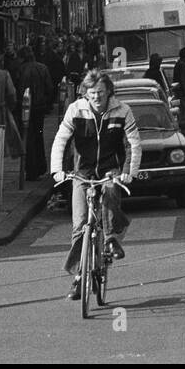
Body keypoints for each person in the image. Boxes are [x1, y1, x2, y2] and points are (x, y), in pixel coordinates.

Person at [51, 70, 141, 299]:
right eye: (92, 93)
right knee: (80, 224)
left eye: (100, 92)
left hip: (110, 169)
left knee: (111, 193)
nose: (97, 97)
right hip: (83, 171)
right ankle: (78, 278)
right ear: (85, 93)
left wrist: (129, 172)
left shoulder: (122, 110)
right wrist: (57, 170)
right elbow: (61, 139)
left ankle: (111, 240)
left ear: (109, 91)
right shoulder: (75, 109)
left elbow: (133, 143)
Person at [15, 46, 55, 181]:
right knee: (38, 136)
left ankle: (30, 169)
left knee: (27, 138)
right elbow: (50, 88)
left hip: (24, 107)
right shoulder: (42, 68)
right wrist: (46, 102)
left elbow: (16, 89)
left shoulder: (20, 69)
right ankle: (40, 166)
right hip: (39, 107)